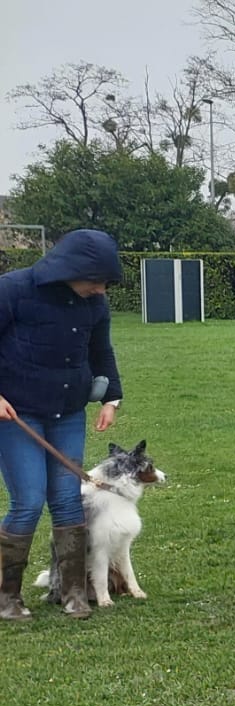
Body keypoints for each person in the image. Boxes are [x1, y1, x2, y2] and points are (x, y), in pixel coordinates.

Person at [0, 229, 124, 621]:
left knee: (68, 498)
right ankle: (6, 597)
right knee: (28, 501)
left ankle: (73, 593)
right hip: (17, 414)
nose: (101, 289)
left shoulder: (94, 304)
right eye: (97, 280)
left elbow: (101, 350)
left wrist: (111, 397)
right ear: (71, 269)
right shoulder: (12, 290)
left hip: (68, 411)